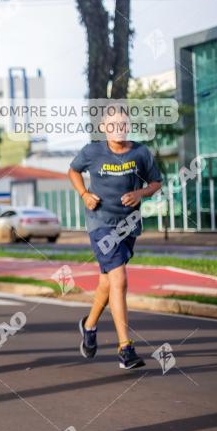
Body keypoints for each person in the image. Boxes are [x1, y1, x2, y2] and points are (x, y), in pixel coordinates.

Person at [69, 106, 162, 370]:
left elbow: (156, 183)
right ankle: (125, 349)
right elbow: (73, 171)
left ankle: (88, 326)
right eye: (113, 125)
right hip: (100, 224)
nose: (118, 129)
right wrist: (84, 194)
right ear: (104, 128)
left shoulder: (140, 153)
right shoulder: (92, 151)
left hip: (128, 226)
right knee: (119, 279)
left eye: (123, 124)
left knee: (107, 283)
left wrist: (140, 194)